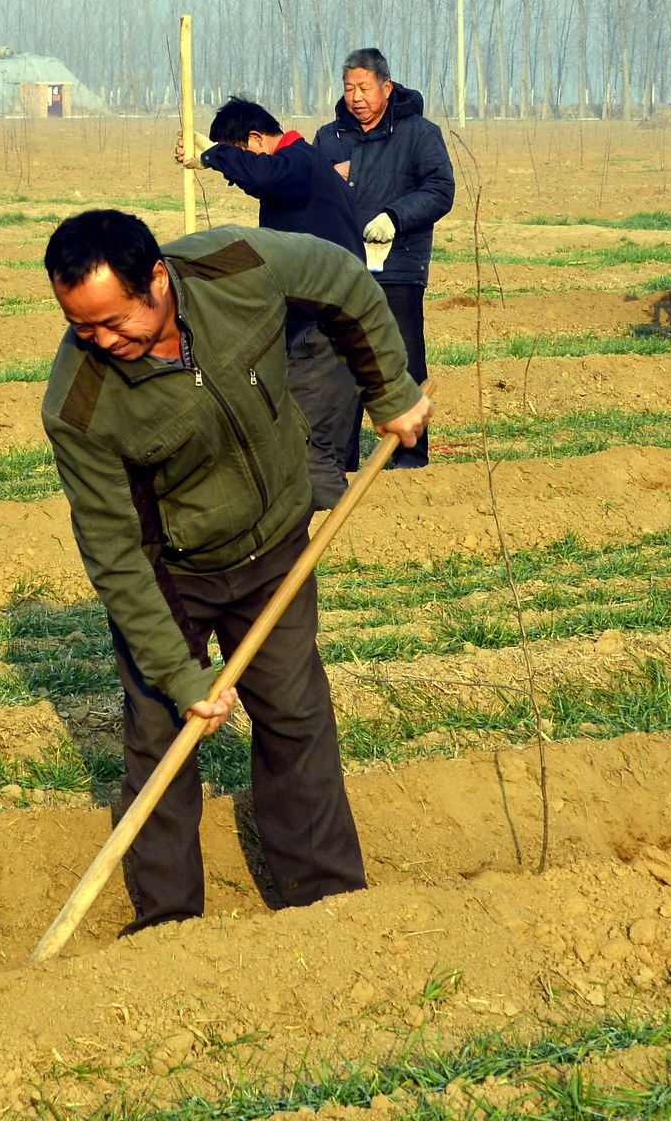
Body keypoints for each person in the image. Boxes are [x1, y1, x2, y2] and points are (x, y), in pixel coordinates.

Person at [40, 209, 430, 931]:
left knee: (294, 716)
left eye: (112, 322)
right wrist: (184, 678)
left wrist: (391, 392)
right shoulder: (80, 406)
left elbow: (344, 283)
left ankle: (325, 902)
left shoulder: (233, 267)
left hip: (274, 543)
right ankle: (167, 922)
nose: (98, 341)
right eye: (80, 326)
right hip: (172, 579)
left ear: (157, 278)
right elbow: (118, 555)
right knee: (159, 740)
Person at [178, 95, 367, 509]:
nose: (236, 180)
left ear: (257, 139)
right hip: (325, 324)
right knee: (308, 446)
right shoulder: (301, 175)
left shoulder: (299, 162)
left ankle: (342, 544)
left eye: (240, 154)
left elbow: (264, 175)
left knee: (308, 449)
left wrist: (212, 157)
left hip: (325, 334)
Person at [315, 48, 454, 469]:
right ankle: (340, 458)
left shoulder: (418, 133)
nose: (356, 96)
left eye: (364, 87)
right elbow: (309, 191)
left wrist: (395, 217)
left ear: (386, 87)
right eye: (348, 88)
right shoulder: (329, 137)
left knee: (401, 358)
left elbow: (439, 189)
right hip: (344, 267)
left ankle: (409, 456)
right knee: (339, 359)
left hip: (398, 267)